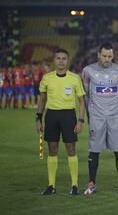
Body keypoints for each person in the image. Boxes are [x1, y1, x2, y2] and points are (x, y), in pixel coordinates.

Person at [82, 42, 118, 195]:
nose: (107, 59)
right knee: (94, 150)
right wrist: (89, 114)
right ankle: (91, 183)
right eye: (104, 56)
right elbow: (86, 95)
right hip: (97, 116)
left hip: (115, 116)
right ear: (98, 55)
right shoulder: (88, 71)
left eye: (110, 56)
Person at [36, 49, 85, 195]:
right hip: (51, 115)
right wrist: (38, 118)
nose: (61, 61)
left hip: (69, 115)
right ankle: (51, 185)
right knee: (52, 149)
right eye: (58, 58)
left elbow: (82, 101)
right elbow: (42, 100)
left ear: (68, 61)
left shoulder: (75, 78)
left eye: (64, 58)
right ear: (54, 60)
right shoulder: (47, 78)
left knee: (71, 148)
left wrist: (81, 120)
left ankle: (74, 185)